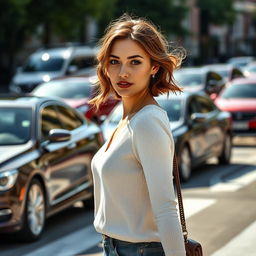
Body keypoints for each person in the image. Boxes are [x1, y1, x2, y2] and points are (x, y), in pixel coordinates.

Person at [89, 14, 186, 256]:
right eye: (114, 61)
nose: (122, 72)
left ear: (153, 67)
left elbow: (165, 208)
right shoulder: (127, 120)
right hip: (115, 248)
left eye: (134, 62)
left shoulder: (147, 122)